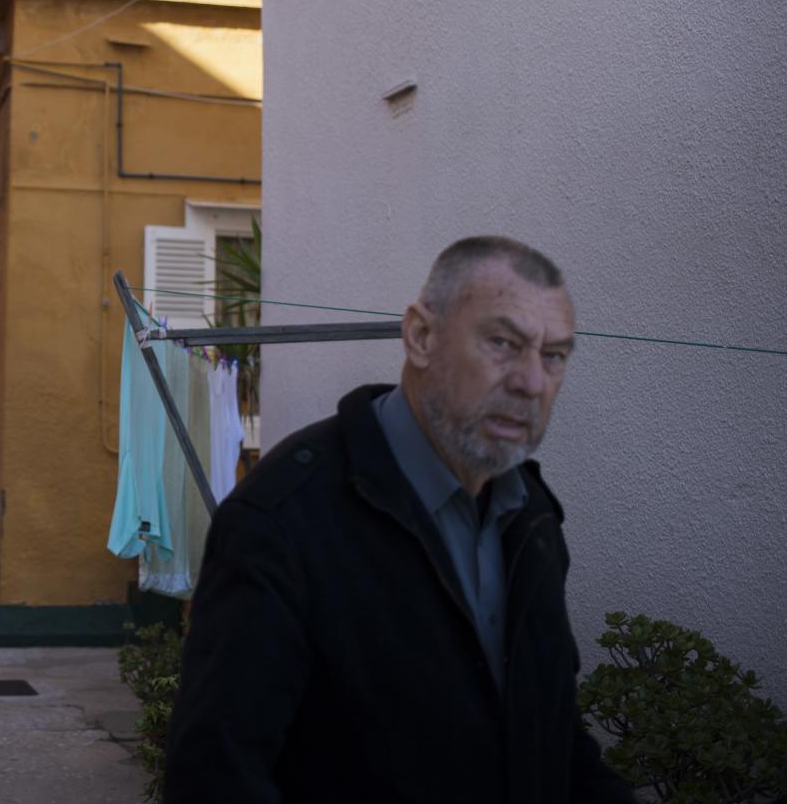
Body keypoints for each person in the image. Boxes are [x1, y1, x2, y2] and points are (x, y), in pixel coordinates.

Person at [164, 236, 637, 804]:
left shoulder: (531, 514)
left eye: (554, 355)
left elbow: (551, 734)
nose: (532, 382)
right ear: (420, 336)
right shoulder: (284, 520)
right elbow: (216, 778)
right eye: (503, 343)